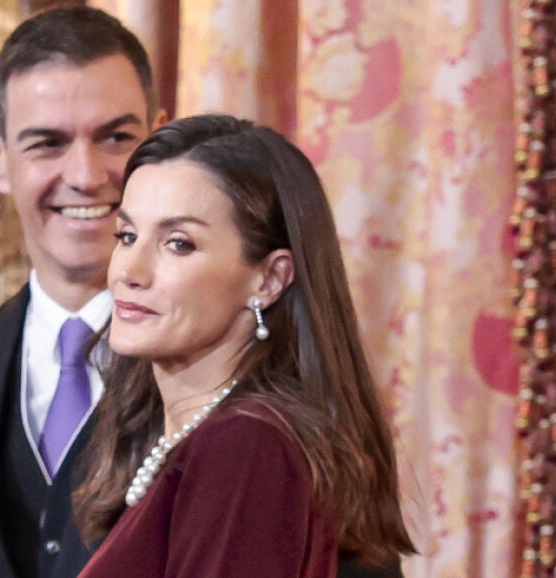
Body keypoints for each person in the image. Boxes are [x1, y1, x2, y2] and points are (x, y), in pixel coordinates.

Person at [73, 114, 417, 577]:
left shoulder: (245, 445)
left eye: (178, 244)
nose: (129, 271)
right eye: (127, 236)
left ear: (270, 278)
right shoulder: (197, 437)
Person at [0, 6, 167, 578]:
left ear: (160, 143)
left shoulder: (232, 365)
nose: (85, 175)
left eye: (116, 137)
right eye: (48, 143)